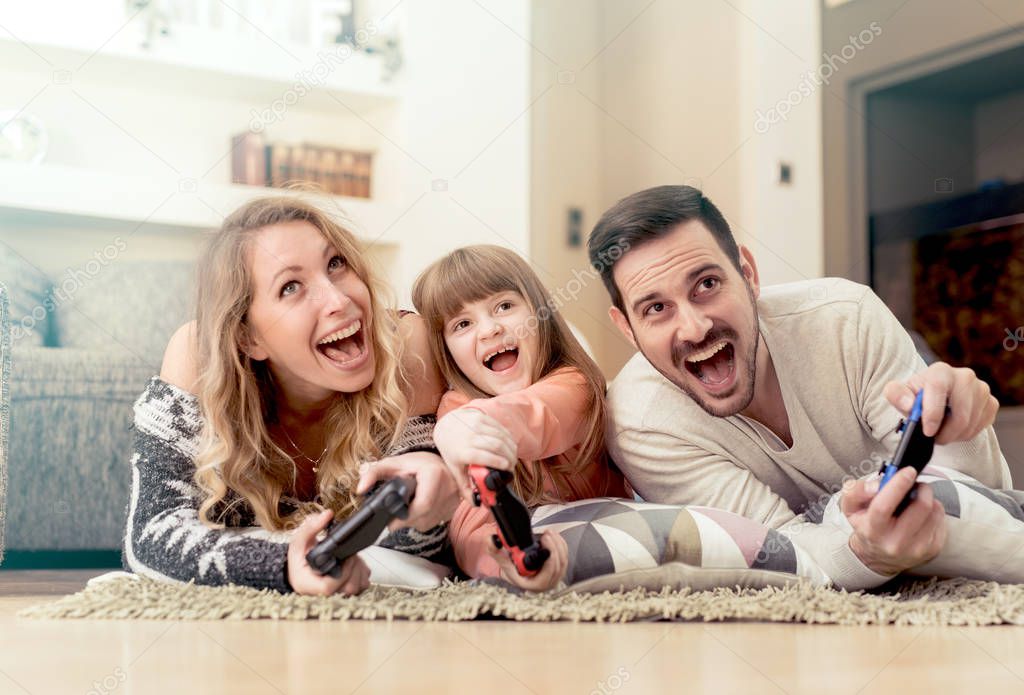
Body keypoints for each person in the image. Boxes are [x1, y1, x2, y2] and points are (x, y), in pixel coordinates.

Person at [590, 185, 1024, 589]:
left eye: (707, 284)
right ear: (627, 329)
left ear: (748, 275)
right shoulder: (639, 424)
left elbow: (971, 489)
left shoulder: (845, 318)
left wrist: (964, 431)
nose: (694, 327)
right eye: (656, 308)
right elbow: (779, 550)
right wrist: (864, 551)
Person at [411, 245, 836, 591]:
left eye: (504, 306)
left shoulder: (574, 385)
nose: (489, 330)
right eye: (462, 324)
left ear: (540, 315)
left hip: (621, 514)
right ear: (447, 350)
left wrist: (474, 429)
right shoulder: (455, 408)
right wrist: (498, 559)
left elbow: (537, 417)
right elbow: (471, 519)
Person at [123, 196, 460, 596]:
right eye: (291, 287)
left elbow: (416, 549)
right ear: (248, 337)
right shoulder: (198, 353)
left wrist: (426, 474)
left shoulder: (403, 344)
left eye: (336, 263)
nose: (340, 301)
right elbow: (150, 537)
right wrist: (281, 565)